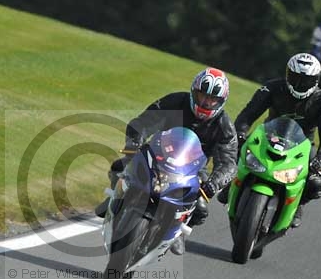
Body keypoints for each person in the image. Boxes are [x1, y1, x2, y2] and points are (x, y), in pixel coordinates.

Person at [95, 67, 239, 255]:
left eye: (212, 99)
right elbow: (143, 122)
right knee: (120, 166)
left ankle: (179, 232)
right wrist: (135, 142)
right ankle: (116, 195)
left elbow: (229, 162)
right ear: (193, 91)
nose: (205, 102)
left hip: (193, 170)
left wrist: (214, 183)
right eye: (202, 95)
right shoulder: (175, 101)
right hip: (156, 154)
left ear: (221, 102)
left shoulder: (224, 126)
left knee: (201, 208)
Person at [222, 53, 321, 228]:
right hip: (268, 136)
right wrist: (240, 133)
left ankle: (298, 205)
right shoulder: (272, 87)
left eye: (305, 81)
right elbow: (247, 114)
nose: (299, 84)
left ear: (315, 81)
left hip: (302, 146)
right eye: (295, 78)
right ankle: (231, 182)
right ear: (287, 74)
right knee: (239, 148)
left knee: (315, 183)